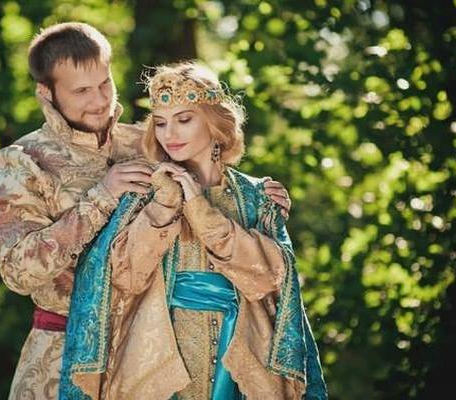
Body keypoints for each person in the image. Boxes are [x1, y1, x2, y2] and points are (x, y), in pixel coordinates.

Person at [0, 23, 293, 399]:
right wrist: (102, 196)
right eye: (81, 91)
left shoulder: (147, 142)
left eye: (105, 83)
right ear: (46, 93)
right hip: (62, 352)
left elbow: (209, 181)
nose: (99, 100)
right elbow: (18, 273)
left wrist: (263, 199)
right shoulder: (20, 163)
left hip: (153, 349)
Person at [59, 63, 326, 399]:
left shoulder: (258, 196)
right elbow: (123, 278)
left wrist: (201, 211)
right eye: (160, 123)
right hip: (161, 362)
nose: (169, 134)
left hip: (243, 361)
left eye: (184, 119)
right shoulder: (145, 193)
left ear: (215, 123)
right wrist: (164, 207)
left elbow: (272, 280)